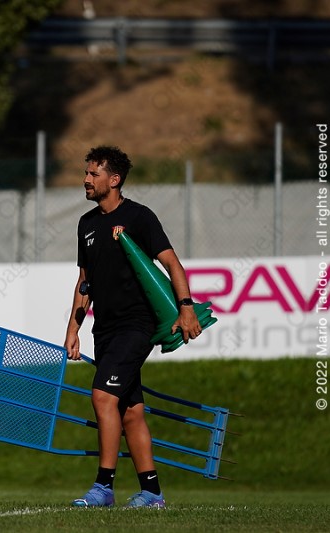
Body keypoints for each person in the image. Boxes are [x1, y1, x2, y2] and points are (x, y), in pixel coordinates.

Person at [63, 145, 202, 509]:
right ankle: (152, 493)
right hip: (104, 330)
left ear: (114, 179)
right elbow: (84, 282)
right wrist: (73, 329)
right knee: (130, 411)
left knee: (102, 397)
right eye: (86, 172)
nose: (86, 179)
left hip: (136, 326)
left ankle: (103, 487)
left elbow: (172, 264)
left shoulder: (140, 217)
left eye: (93, 174)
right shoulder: (86, 224)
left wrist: (186, 307)